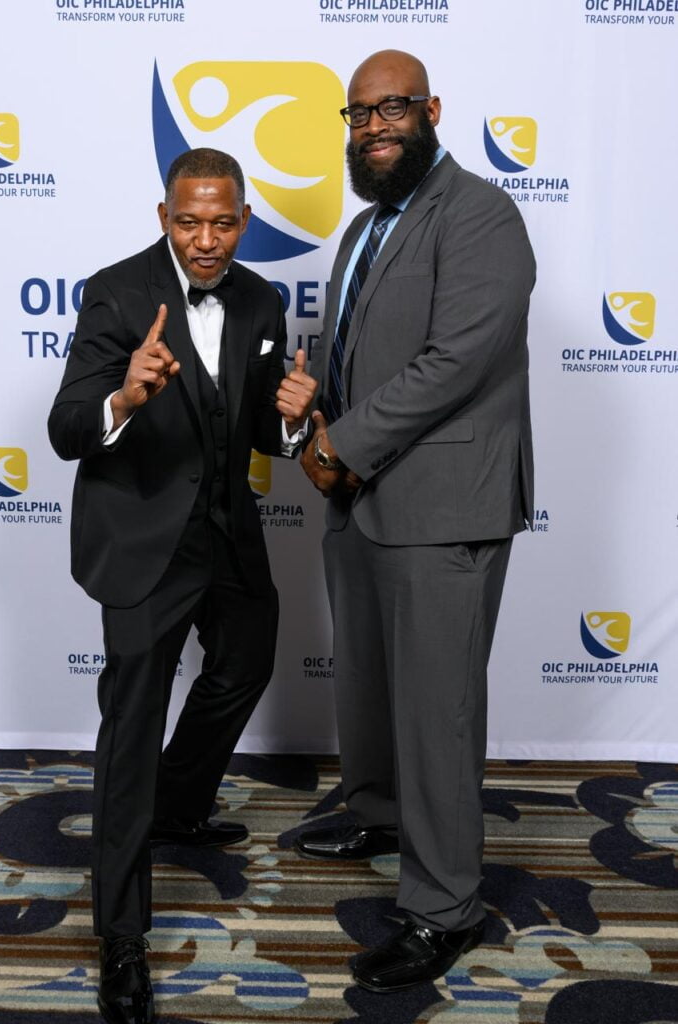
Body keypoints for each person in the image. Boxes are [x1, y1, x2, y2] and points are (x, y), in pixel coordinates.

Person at [48, 148, 315, 1024]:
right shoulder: (116, 293)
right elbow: (65, 427)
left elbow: (261, 432)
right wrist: (124, 397)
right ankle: (122, 938)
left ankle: (178, 805)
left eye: (222, 222)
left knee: (247, 660)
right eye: (189, 222)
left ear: (244, 221)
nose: (206, 240)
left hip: (226, 531)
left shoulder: (261, 300)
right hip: (142, 542)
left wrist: (291, 421)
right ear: (164, 217)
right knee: (130, 731)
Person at [296, 50, 535, 992]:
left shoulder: (479, 213)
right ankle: (377, 811)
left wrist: (340, 446)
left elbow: (455, 361)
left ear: (431, 110)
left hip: (442, 502)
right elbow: (353, 358)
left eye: (391, 108)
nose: (373, 127)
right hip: (360, 494)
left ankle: (443, 907)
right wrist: (313, 423)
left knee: (436, 711)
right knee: (367, 682)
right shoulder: (364, 228)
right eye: (358, 114)